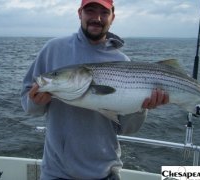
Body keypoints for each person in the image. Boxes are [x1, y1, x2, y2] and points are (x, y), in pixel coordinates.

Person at [21, 0, 169, 179]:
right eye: (90, 10)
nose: (96, 18)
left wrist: (141, 108)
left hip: (105, 174)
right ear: (79, 13)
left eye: (104, 13)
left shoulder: (123, 61)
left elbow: (128, 128)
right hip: (56, 173)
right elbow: (28, 104)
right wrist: (36, 102)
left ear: (112, 17)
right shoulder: (52, 49)